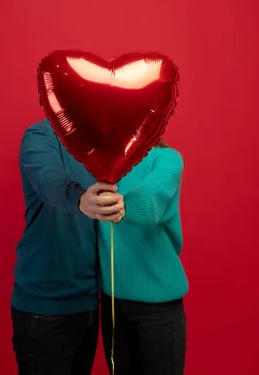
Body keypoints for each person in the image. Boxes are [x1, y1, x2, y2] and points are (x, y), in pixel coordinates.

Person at [11, 118, 125, 375]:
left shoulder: (100, 144)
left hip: (89, 302)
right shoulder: (41, 135)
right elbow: (47, 179)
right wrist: (80, 199)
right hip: (44, 306)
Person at [98, 140, 188, 375]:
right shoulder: (97, 160)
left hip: (158, 307)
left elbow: (152, 199)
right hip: (112, 301)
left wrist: (118, 207)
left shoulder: (167, 159)